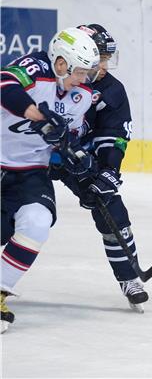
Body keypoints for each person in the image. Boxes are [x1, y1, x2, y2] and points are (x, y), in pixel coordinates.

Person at [1, 27, 100, 333]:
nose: (83, 79)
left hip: (31, 172)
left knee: (38, 222)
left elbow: (68, 137)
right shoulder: (35, 68)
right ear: (60, 64)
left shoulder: (81, 95)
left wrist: (75, 157)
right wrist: (38, 116)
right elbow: (3, 83)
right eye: (80, 72)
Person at [48, 24, 148, 313]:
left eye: (106, 59)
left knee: (111, 206)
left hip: (78, 157)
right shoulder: (48, 79)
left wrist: (108, 171)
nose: (103, 67)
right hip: (36, 154)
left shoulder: (111, 90)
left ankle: (130, 278)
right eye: (98, 59)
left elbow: (114, 134)